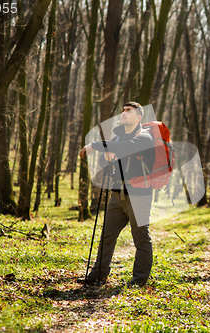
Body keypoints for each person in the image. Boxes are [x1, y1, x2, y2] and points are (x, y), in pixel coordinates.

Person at [78, 101, 155, 287]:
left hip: (139, 196)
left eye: (129, 111)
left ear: (138, 117)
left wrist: (94, 146)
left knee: (141, 238)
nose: (124, 113)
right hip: (117, 195)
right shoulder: (117, 139)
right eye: (123, 110)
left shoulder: (145, 138)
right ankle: (98, 275)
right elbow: (114, 155)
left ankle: (139, 280)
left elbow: (126, 148)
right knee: (107, 236)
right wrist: (108, 156)